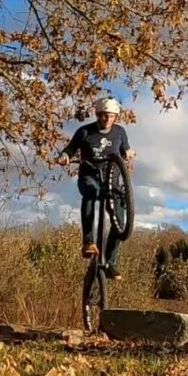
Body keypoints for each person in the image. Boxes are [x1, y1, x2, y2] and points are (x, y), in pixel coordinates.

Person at [57, 97, 135, 280]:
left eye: (112, 117)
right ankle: (89, 242)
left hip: (112, 181)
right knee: (91, 193)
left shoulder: (120, 132)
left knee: (120, 221)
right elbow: (69, 149)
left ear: (116, 117)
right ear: (98, 115)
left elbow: (126, 150)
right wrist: (65, 156)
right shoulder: (84, 132)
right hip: (89, 176)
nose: (108, 120)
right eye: (104, 116)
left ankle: (110, 263)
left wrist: (129, 152)